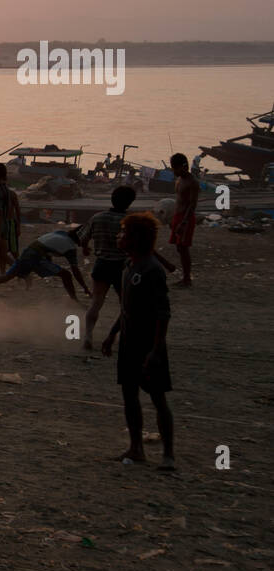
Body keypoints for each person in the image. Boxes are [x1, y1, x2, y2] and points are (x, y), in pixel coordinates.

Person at [101, 212, 175, 471]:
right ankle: (136, 448)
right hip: (128, 343)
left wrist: (156, 350)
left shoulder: (151, 269)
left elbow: (163, 313)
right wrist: (112, 334)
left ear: (136, 238)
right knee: (129, 397)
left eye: (123, 233)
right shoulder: (128, 266)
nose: (119, 236)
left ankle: (168, 455)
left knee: (158, 399)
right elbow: (126, 309)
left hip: (148, 345)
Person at [76, 186, 137, 351]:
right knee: (125, 305)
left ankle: (88, 336)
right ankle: (117, 335)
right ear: (130, 202)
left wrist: (86, 248)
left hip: (102, 263)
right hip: (123, 267)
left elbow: (82, 238)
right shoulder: (130, 221)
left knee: (96, 302)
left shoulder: (98, 217)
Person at [0, 227, 90, 303]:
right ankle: (74, 300)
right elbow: (76, 271)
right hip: (36, 257)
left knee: (6, 277)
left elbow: (46, 245)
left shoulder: (60, 233)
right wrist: (85, 288)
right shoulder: (70, 248)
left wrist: (49, 263)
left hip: (28, 251)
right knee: (67, 275)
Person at [168, 152, 198, 287]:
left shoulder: (192, 182)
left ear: (183, 167)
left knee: (184, 248)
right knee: (179, 248)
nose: (173, 171)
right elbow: (179, 200)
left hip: (186, 218)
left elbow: (192, 204)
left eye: (175, 168)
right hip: (177, 216)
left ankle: (187, 279)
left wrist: (184, 222)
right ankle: (185, 277)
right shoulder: (179, 180)